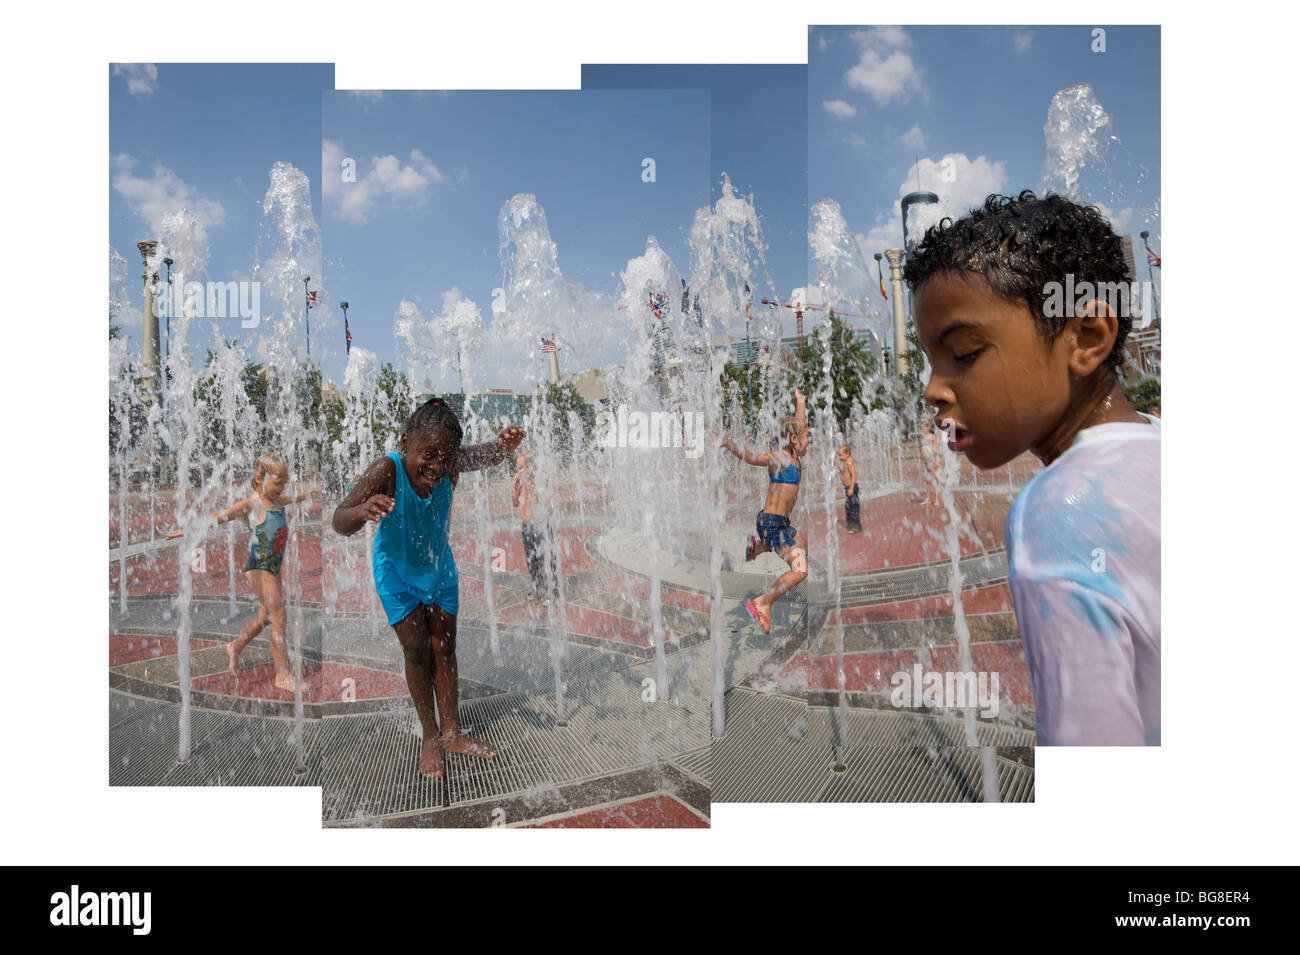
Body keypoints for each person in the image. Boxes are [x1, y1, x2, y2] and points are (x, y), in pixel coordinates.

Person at [905, 190, 1160, 746]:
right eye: (929, 359)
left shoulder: (1055, 517)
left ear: (1087, 338)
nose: (931, 390)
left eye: (965, 353)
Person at [331, 398, 525, 778]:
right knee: (417, 650)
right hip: (396, 573)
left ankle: (452, 731)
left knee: (445, 647)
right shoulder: (387, 469)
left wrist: (503, 448)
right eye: (429, 455)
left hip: (439, 569)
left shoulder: (450, 466)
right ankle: (430, 735)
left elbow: (485, 456)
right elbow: (340, 519)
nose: (436, 467)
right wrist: (362, 510)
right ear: (406, 443)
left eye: (446, 458)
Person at [167, 452, 314, 691]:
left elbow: (290, 499)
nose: (281, 488)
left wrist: (306, 495)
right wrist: (191, 527)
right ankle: (282, 674)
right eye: (277, 484)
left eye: (283, 484)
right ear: (259, 478)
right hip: (258, 566)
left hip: (273, 567)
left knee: (266, 617)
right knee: (279, 617)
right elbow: (221, 516)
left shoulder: (277, 501)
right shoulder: (250, 505)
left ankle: (235, 646)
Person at [715, 389, 809, 635]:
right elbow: (753, 458)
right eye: (806, 437)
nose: (808, 441)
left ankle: (757, 548)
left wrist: (801, 402)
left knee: (801, 542)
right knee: (800, 570)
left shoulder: (795, 455)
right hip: (770, 524)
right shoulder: (780, 458)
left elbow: (800, 424)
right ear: (794, 440)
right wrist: (730, 445)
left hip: (780, 523)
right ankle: (763, 602)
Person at [512, 451, 556, 601]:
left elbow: (544, 499)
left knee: (546, 557)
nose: (520, 471)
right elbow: (515, 503)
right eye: (518, 468)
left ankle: (551, 590)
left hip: (541, 525)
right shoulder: (519, 483)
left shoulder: (539, 481)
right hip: (527, 526)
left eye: (523, 467)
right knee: (531, 558)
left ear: (532, 467)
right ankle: (537, 586)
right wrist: (515, 488)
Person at [837, 444, 862, 532]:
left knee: (853, 507)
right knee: (848, 506)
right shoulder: (846, 463)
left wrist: (851, 488)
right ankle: (851, 523)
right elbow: (845, 474)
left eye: (840, 455)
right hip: (848, 488)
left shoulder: (849, 462)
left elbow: (854, 474)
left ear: (847, 454)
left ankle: (857, 526)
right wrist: (840, 471)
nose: (839, 457)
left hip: (851, 487)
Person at [918, 420, 941, 506]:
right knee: (927, 480)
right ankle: (928, 498)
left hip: (931, 460)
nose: (923, 428)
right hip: (924, 461)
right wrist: (919, 462)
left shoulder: (932, 437)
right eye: (921, 427)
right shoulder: (921, 439)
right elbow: (920, 451)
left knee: (934, 479)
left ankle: (937, 499)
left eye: (924, 427)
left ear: (928, 427)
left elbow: (937, 449)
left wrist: (937, 461)